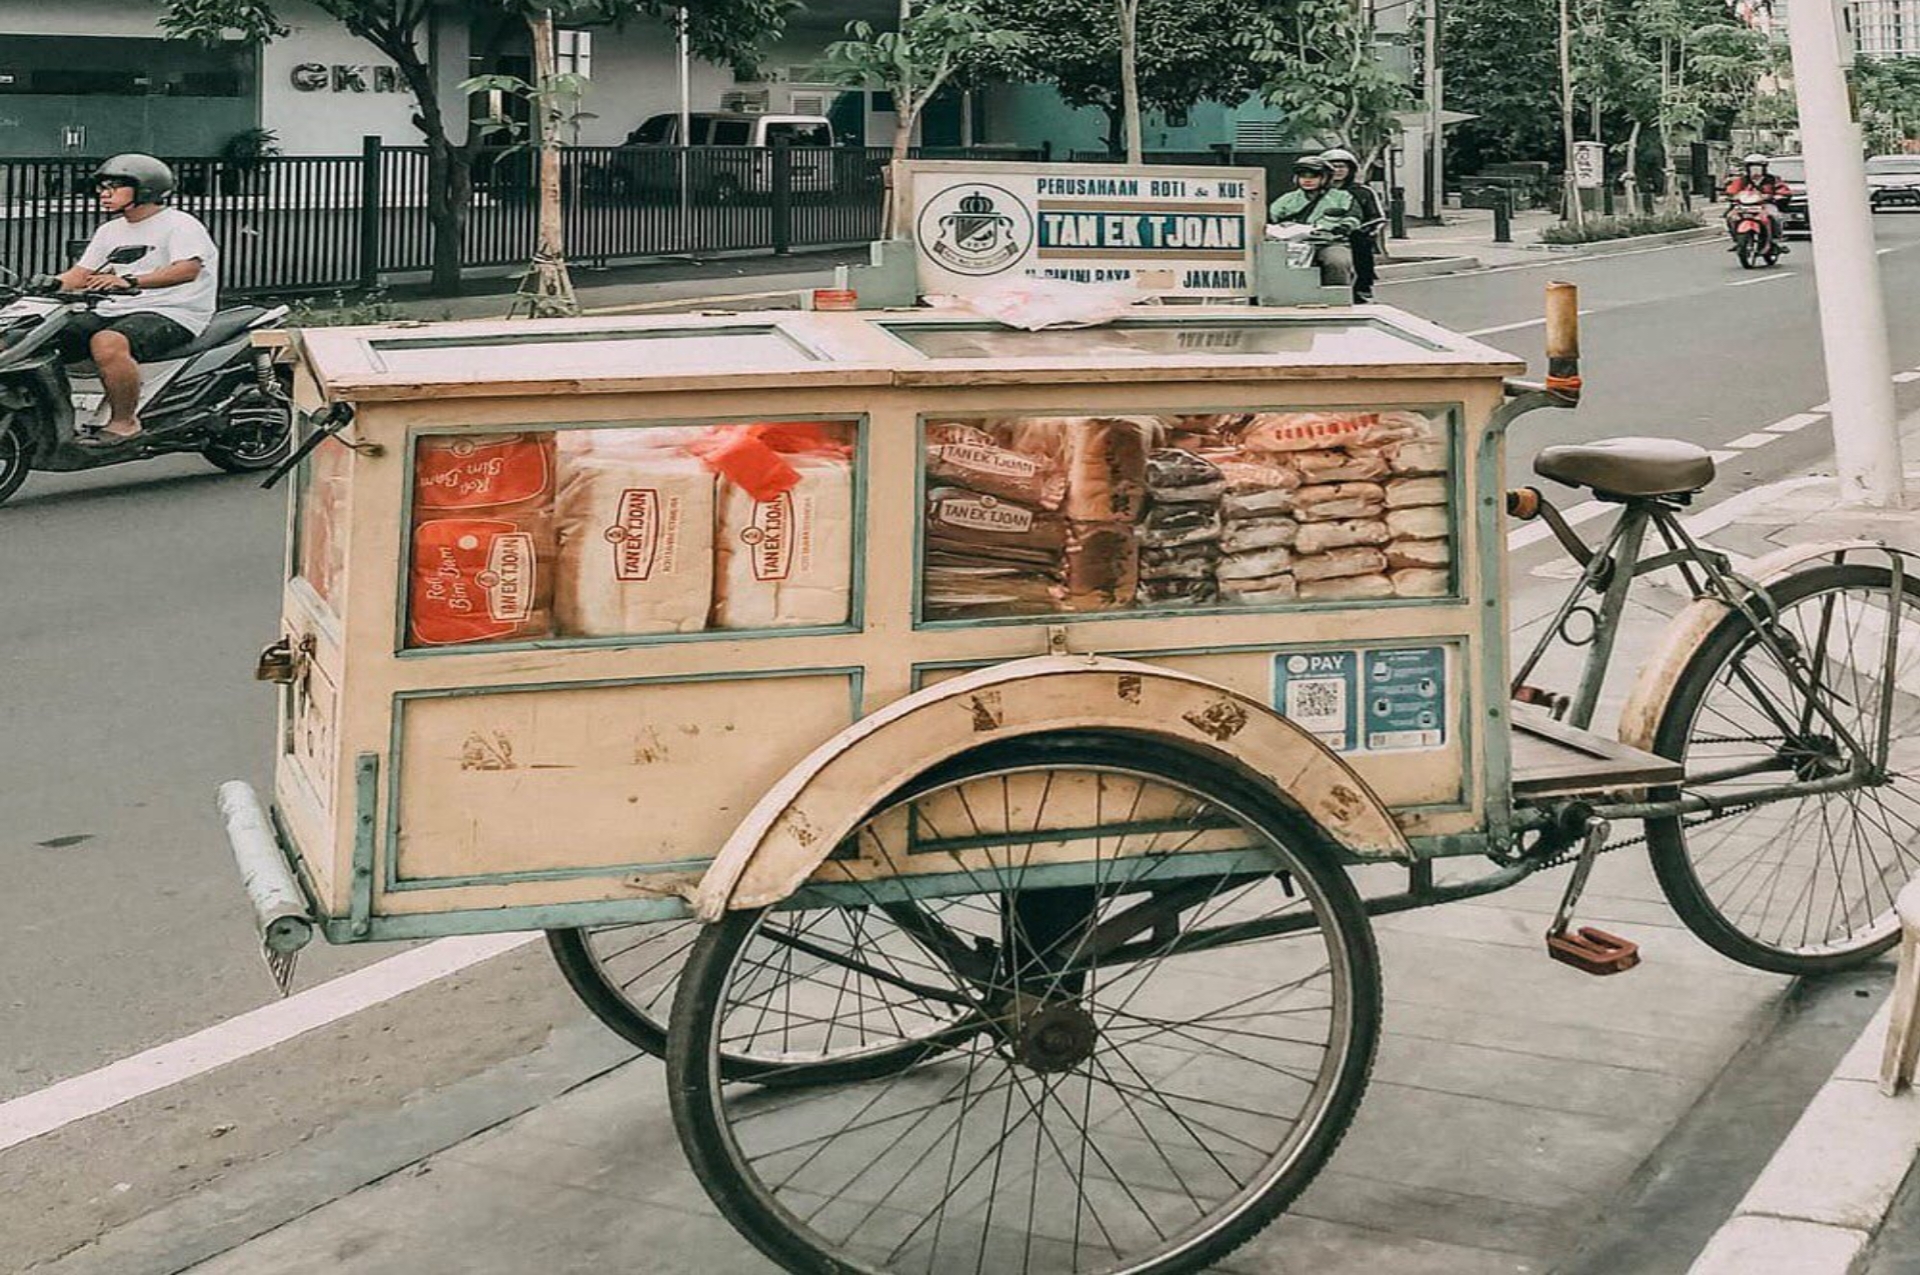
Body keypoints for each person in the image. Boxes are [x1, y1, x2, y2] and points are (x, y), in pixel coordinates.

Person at [51, 154, 219, 447]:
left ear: (145, 189)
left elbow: (187, 269)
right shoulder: (110, 230)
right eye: (102, 187)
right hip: (117, 308)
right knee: (42, 335)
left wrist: (130, 281)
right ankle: (57, 418)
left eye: (114, 187)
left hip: (173, 310)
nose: (104, 193)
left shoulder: (180, 224)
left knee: (107, 342)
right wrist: (45, 283)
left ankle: (125, 422)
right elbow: (81, 274)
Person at [1268, 156, 1361, 289]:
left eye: (1314, 175)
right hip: (1291, 244)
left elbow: (1354, 217)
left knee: (1337, 262)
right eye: (1302, 175)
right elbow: (1271, 217)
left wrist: (1344, 227)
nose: (1308, 179)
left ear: (1326, 178)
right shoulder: (1286, 199)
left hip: (1329, 243)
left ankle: (1336, 298)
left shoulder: (1342, 197)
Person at [1321, 147, 1384, 302]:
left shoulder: (1363, 192)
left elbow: (1376, 217)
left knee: (1360, 244)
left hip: (1351, 235)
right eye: (1333, 166)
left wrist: (1365, 229)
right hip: (1317, 235)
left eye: (1342, 166)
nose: (1338, 170)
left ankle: (1362, 286)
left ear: (1351, 169)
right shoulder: (1313, 190)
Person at [1724, 153, 1791, 254]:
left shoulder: (1773, 179)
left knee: (1775, 216)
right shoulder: (1742, 180)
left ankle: (1776, 239)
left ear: (1764, 168)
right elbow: (1732, 190)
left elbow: (1783, 189)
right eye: (1752, 167)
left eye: (1758, 167)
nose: (1755, 170)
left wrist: (1778, 195)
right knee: (1730, 217)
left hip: (1765, 205)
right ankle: (1737, 240)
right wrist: (1730, 196)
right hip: (1744, 205)